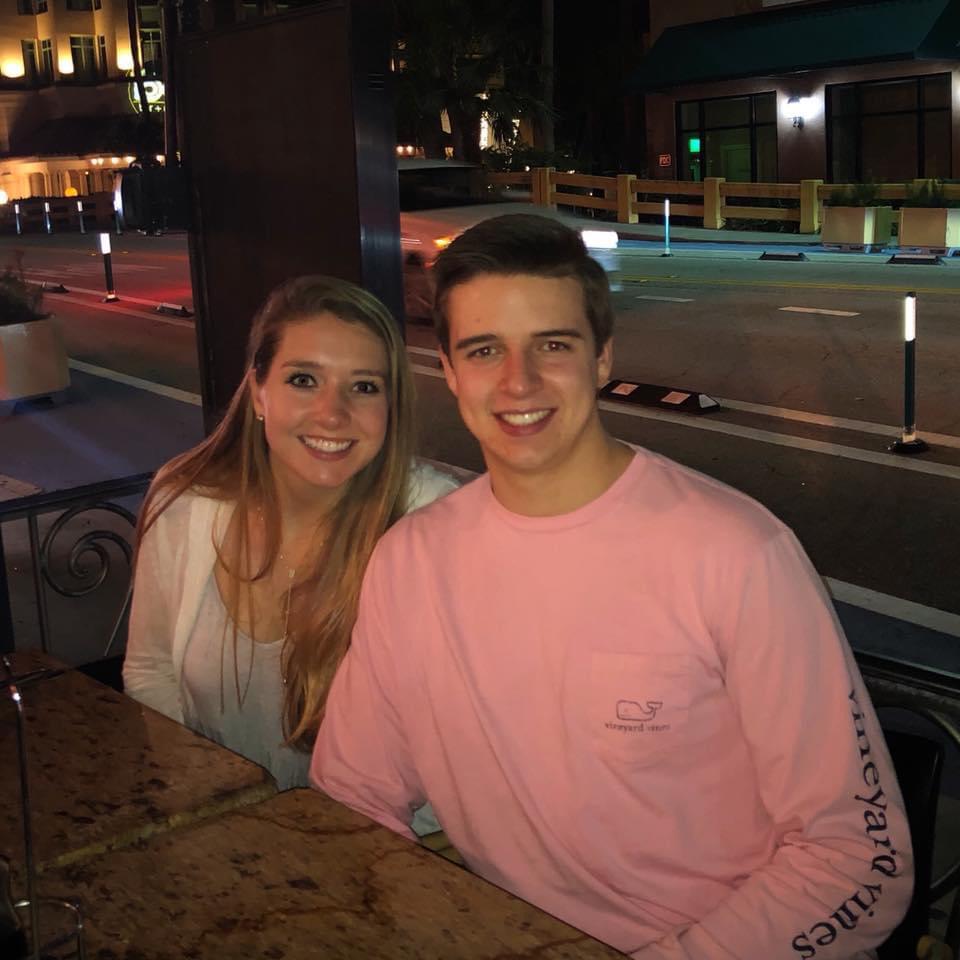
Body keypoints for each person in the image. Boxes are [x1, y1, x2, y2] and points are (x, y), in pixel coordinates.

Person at [311, 215, 912, 959]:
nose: (519, 381)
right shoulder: (409, 563)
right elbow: (354, 794)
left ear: (602, 360)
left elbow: (860, 861)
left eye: (552, 346)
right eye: (485, 349)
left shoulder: (735, 555)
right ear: (452, 371)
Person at [124, 275, 458, 792]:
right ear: (259, 394)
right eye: (304, 380)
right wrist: (212, 798)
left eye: (364, 387)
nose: (333, 413)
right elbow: (150, 671)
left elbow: (457, 738)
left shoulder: (431, 524)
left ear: (390, 407)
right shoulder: (184, 500)